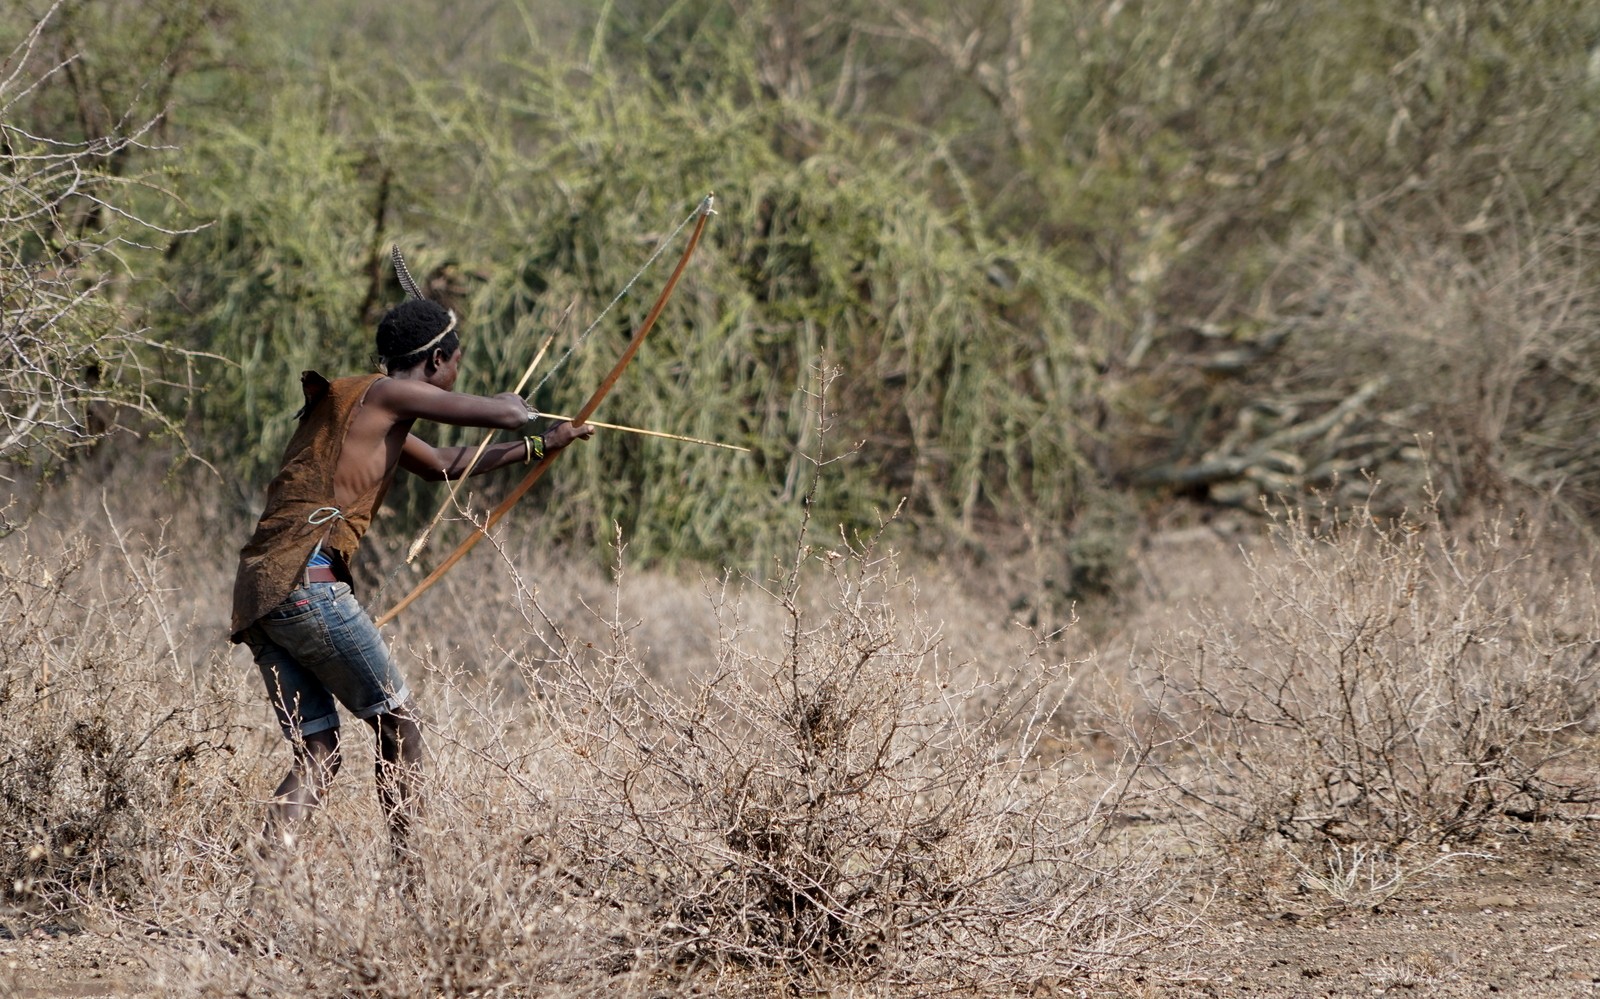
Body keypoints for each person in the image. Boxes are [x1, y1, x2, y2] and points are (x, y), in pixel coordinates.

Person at [229, 297, 593, 874]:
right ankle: (410, 884)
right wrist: (514, 411)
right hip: (308, 585)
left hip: (263, 593)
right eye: (456, 362)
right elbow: (494, 413)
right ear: (436, 362)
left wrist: (540, 446)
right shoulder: (380, 392)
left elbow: (446, 463)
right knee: (400, 727)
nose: (456, 374)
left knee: (317, 752)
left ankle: (255, 900)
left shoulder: (361, 410)